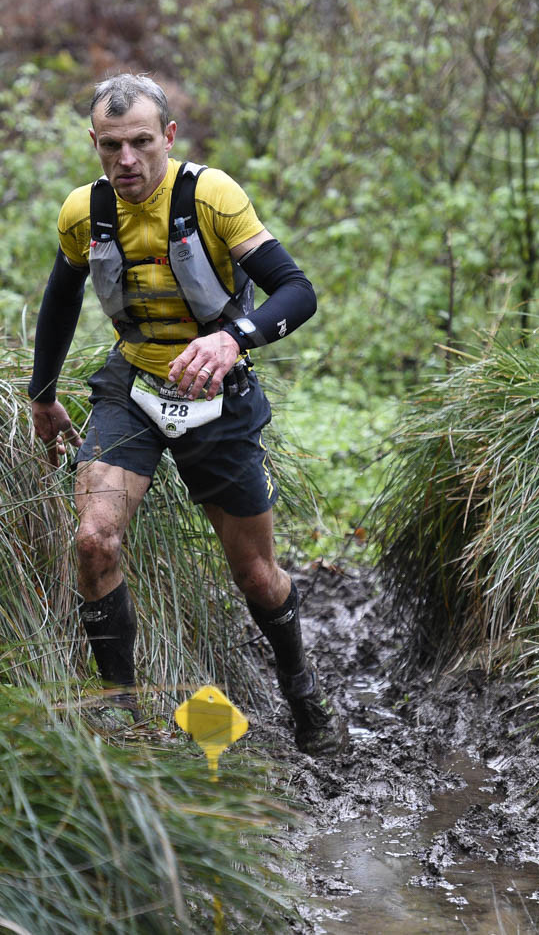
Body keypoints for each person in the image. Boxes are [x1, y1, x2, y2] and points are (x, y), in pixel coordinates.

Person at [27, 72, 345, 757]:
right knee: (94, 540)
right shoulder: (84, 212)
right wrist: (42, 393)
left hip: (219, 396)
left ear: (168, 137)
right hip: (133, 388)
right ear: (94, 143)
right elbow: (61, 297)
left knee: (257, 575)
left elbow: (297, 290)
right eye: (111, 146)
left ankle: (303, 695)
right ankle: (123, 717)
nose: (127, 160)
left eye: (141, 142)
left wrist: (235, 339)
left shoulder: (211, 196)